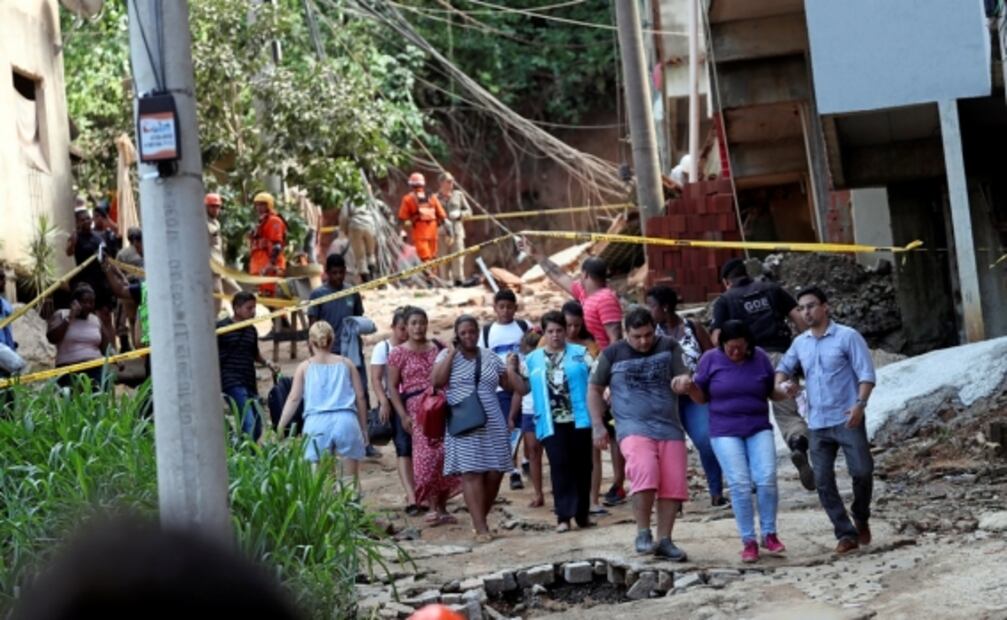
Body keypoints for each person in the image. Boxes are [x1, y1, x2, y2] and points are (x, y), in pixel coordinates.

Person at [521, 237, 627, 506]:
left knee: (612, 433)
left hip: (606, 372)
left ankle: (618, 484)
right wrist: (537, 254)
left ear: (586, 274)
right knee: (602, 433)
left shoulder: (605, 299)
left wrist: (613, 381)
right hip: (594, 372)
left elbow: (615, 338)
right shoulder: (587, 295)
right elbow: (560, 277)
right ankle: (606, 489)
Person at [775, 286, 876, 555]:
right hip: (817, 422)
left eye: (810, 306)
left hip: (847, 418)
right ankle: (845, 533)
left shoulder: (847, 337)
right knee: (822, 479)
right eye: (801, 308)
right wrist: (787, 388)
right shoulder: (800, 344)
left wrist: (860, 405)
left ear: (825, 307)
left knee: (863, 472)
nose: (806, 312)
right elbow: (782, 371)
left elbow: (866, 374)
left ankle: (861, 514)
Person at [588, 308, 693, 561]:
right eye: (637, 336)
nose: (644, 341)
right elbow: (594, 389)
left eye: (648, 335)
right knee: (645, 471)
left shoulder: (669, 346)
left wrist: (683, 381)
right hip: (632, 426)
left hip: (669, 426)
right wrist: (598, 424)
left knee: (672, 484)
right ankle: (643, 533)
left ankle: (665, 540)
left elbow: (683, 373)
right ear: (626, 333)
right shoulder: (612, 354)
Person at [686, 320, 789, 563]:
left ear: (749, 345)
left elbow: (771, 391)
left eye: (740, 348)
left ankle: (769, 533)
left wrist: (785, 391)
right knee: (740, 483)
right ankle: (748, 539)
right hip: (724, 430)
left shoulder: (760, 358)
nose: (735, 352)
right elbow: (701, 397)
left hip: (757, 426)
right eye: (730, 347)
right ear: (722, 344)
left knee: (766, 478)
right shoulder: (710, 359)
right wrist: (690, 388)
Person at [711, 258, 815, 491]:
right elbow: (799, 319)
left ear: (727, 282)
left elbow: (717, 338)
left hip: (747, 365)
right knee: (788, 414)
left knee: (748, 420)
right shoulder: (772, 289)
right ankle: (798, 444)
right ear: (746, 273)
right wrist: (806, 351)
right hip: (781, 359)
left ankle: (752, 476)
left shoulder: (725, 300)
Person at [432, 315, 521, 542]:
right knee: (471, 473)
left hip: (492, 419)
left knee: (495, 471)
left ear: (478, 333)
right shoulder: (446, 356)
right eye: (463, 333)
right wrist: (452, 353)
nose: (469, 336)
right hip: (463, 421)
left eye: (472, 332)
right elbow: (437, 382)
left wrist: (512, 368)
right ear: (457, 335)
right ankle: (481, 528)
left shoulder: (490, 357)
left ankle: (478, 518)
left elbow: (508, 385)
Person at [646, 285, 725, 507]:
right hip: (665, 399)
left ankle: (716, 491)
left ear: (665, 306)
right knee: (670, 447)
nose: (649, 310)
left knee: (705, 440)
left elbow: (712, 357)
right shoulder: (651, 334)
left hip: (694, 394)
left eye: (651, 306)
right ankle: (673, 498)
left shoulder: (693, 327)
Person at [518, 311, 595, 533]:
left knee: (583, 466)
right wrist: (511, 371)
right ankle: (563, 517)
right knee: (559, 466)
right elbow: (523, 388)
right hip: (551, 421)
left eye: (559, 330)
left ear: (566, 331)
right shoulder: (533, 359)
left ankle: (582, 515)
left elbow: (596, 380)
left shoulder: (581, 353)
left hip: (579, 419)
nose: (555, 336)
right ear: (544, 332)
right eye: (550, 331)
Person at [387, 307, 460, 525]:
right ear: (406, 327)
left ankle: (442, 507)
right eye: (414, 323)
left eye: (422, 322)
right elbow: (392, 386)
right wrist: (402, 415)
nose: (418, 327)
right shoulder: (397, 353)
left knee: (446, 455)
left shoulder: (439, 347)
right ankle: (430, 503)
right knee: (425, 459)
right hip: (418, 412)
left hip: (443, 406)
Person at [277, 320, 368, 482]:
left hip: (316, 423)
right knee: (349, 480)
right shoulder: (346, 364)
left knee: (321, 482)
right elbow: (360, 397)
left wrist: (281, 425)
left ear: (310, 342)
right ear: (332, 340)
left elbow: (294, 398)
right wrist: (364, 429)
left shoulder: (304, 367)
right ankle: (351, 506)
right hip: (346, 420)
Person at [477, 288, 531, 491]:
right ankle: (513, 470)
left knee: (525, 423)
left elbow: (533, 348)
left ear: (515, 308)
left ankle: (527, 458)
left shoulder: (524, 327)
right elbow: (482, 358)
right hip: (500, 387)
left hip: (524, 384)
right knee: (509, 424)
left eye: (510, 307)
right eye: (502, 307)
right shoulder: (487, 332)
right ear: (495, 308)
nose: (506, 311)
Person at [371, 307, 423, 514]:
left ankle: (423, 490)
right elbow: (376, 378)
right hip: (395, 401)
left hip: (416, 401)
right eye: (402, 329)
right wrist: (384, 401)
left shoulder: (417, 347)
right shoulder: (383, 348)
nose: (405, 333)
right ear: (394, 327)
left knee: (421, 447)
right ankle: (411, 495)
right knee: (403, 448)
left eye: (407, 328)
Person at [560, 300, 606, 514]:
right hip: (561, 407)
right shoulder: (548, 342)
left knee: (592, 454)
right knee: (566, 455)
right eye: (568, 325)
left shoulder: (589, 344)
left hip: (587, 403)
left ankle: (593, 499)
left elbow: (598, 373)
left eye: (577, 325)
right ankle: (571, 500)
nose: (572, 330)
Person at [217, 291, 278, 439]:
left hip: (249, 382)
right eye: (249, 308)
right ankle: (248, 455)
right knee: (249, 422)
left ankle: (239, 447)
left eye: (254, 308)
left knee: (257, 425)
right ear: (237, 309)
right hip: (231, 382)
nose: (253, 312)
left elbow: (255, 354)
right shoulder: (221, 328)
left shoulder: (251, 330)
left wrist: (268, 363)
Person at [46, 283, 113, 390]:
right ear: (75, 302)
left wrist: (117, 359)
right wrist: (70, 317)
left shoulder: (95, 320)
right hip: (68, 370)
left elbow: (106, 346)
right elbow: (52, 337)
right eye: (84, 301)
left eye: (91, 302)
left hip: (95, 368)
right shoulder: (61, 314)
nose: (88, 305)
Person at [66, 207, 115, 344]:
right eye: (83, 219)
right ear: (77, 222)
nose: (87, 221)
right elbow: (68, 252)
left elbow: (108, 258)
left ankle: (115, 354)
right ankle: (99, 350)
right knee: (93, 319)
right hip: (86, 283)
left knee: (106, 317)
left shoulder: (99, 237)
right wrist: (73, 241)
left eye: (88, 218)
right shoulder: (76, 237)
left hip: (101, 281)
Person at [509, 329, 545, 508]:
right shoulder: (523, 366)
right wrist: (512, 416)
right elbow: (519, 391)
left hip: (545, 411)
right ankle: (539, 493)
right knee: (533, 453)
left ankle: (549, 491)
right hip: (529, 411)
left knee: (542, 454)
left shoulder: (548, 361)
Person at [307, 254, 364, 353]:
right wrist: (314, 347)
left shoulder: (352, 292)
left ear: (345, 271)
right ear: (327, 272)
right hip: (327, 350)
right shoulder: (318, 294)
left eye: (341, 272)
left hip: (350, 348)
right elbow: (313, 324)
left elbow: (358, 317)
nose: (338, 276)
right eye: (334, 273)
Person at [397, 172, 447, 264]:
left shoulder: (408, 199)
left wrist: (399, 227)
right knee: (433, 257)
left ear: (411, 185)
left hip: (420, 232)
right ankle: (432, 275)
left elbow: (402, 217)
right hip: (433, 231)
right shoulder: (432, 196)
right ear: (423, 184)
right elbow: (442, 214)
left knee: (425, 258)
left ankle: (429, 276)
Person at [435, 172, 473, 286]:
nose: (452, 183)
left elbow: (469, 212)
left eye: (452, 181)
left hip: (457, 232)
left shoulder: (458, 195)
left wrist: (460, 214)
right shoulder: (434, 198)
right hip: (442, 233)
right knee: (443, 259)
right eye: (449, 181)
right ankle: (445, 283)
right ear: (441, 183)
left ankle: (458, 282)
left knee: (458, 258)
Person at [248, 192, 287, 297]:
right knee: (262, 298)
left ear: (269, 205)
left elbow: (277, 245)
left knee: (271, 298)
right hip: (259, 267)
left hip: (270, 268)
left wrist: (270, 265)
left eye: (262, 204)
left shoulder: (274, 221)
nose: (259, 207)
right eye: (257, 205)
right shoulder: (261, 222)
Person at [340, 191, 379, 282]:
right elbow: (376, 213)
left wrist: (344, 229)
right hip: (370, 224)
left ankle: (366, 281)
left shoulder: (348, 200)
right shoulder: (368, 198)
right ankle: (373, 276)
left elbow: (344, 216)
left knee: (360, 256)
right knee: (370, 253)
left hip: (355, 226)